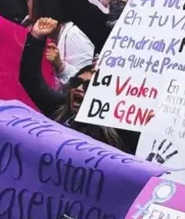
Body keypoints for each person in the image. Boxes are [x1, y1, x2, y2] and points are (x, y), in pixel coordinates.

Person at [20, 17, 128, 151]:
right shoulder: (60, 110)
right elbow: (30, 79)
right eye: (78, 82)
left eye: (89, 86)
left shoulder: (118, 133)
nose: (79, 88)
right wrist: (36, 38)